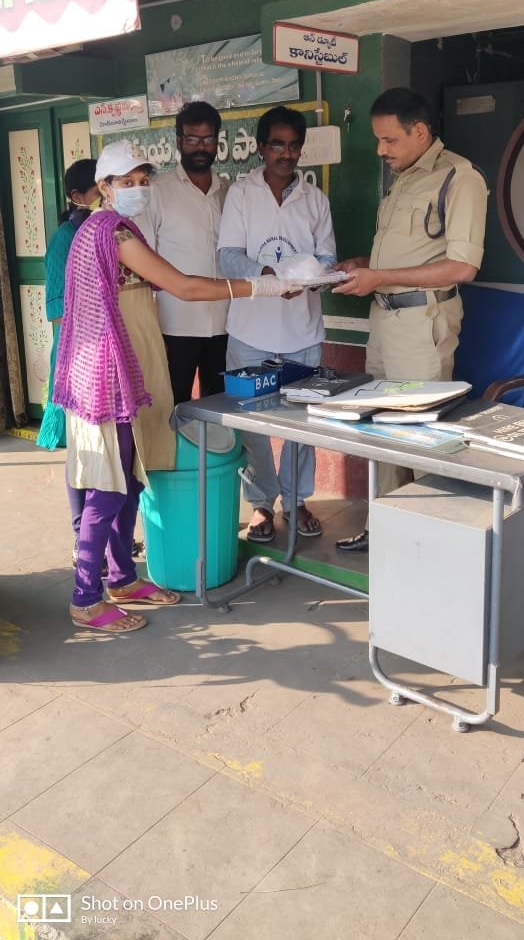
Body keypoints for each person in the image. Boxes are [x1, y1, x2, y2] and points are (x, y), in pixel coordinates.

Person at [53, 139, 295, 634]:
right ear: (103, 188)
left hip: (130, 367)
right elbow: (183, 286)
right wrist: (262, 286)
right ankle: (85, 597)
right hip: (110, 372)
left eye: (144, 183)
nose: (139, 191)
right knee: (109, 485)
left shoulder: (106, 230)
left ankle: (121, 578)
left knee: (133, 479)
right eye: (128, 183)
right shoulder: (114, 234)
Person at [332, 86, 488, 553]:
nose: (381, 151)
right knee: (381, 430)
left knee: (419, 436)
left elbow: (462, 266)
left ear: (419, 132)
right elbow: (408, 249)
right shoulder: (404, 177)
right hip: (384, 321)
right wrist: (364, 264)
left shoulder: (458, 177)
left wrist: (379, 274)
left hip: (423, 324)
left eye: (389, 140)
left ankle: (431, 541)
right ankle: (386, 529)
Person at [218, 105, 336, 544]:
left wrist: (308, 278)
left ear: (300, 148)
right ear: (261, 147)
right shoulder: (241, 194)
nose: (286, 154)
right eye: (277, 145)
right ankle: (261, 505)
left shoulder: (315, 199)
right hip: (250, 331)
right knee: (251, 424)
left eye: (293, 145)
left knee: (302, 423)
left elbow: (326, 259)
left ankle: (296, 498)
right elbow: (227, 255)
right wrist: (267, 280)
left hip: (303, 331)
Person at [137, 101, 229, 404]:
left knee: (222, 410)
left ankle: (215, 455)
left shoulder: (231, 192)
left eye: (208, 139)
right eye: (192, 139)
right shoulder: (158, 193)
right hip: (175, 326)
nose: (200, 147)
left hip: (226, 324)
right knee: (173, 408)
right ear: (179, 141)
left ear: (218, 141)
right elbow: (145, 262)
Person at [37, 158, 100, 562]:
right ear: (77, 197)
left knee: (104, 451)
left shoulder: (103, 231)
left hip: (101, 355)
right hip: (78, 358)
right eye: (101, 189)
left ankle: (104, 535)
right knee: (82, 451)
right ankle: (83, 537)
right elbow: (59, 311)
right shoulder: (65, 240)